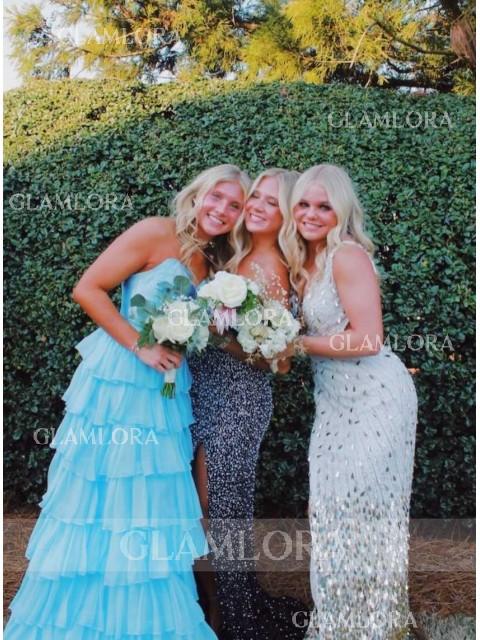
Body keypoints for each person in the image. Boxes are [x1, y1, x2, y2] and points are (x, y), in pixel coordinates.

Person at [4, 164, 251, 640]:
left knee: (153, 500)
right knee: (101, 496)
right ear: (197, 195)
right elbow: (87, 289)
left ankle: (140, 621)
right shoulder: (155, 232)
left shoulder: (215, 263)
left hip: (166, 391)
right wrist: (141, 346)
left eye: (235, 205)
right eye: (215, 197)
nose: (222, 209)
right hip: (119, 382)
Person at [281, 163, 417, 639]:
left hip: (376, 398)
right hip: (335, 402)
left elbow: (368, 339)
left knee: (362, 512)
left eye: (324, 206)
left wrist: (294, 344)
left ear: (341, 211)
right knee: (331, 512)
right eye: (303, 204)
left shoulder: (347, 256)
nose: (312, 214)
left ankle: (374, 627)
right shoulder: (304, 260)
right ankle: (344, 624)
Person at [188, 168, 306, 640]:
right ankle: (207, 609)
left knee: (214, 509)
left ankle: (228, 618)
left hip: (237, 402)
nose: (257, 206)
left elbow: (279, 362)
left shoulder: (271, 268)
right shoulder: (232, 256)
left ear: (287, 215)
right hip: (203, 392)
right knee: (200, 509)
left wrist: (217, 337)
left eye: (272, 202)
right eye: (255, 196)